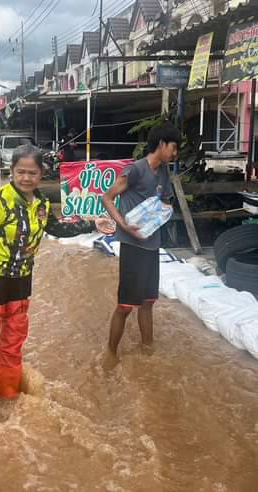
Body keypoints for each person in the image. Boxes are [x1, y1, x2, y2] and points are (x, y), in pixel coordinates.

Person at [0, 144, 113, 430]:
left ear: (41, 174)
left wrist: (92, 224)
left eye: (32, 173)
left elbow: (57, 228)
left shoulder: (41, 203)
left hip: (21, 279)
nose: (26, 178)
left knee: (13, 341)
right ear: (12, 172)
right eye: (21, 172)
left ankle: (7, 391)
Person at [101, 123, 179, 360]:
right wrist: (123, 226)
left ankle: (148, 349)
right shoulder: (135, 170)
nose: (175, 153)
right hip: (133, 246)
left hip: (152, 245)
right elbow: (107, 198)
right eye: (173, 147)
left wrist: (165, 209)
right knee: (125, 306)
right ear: (162, 144)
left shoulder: (163, 172)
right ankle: (111, 354)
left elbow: (165, 201)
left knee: (148, 302)